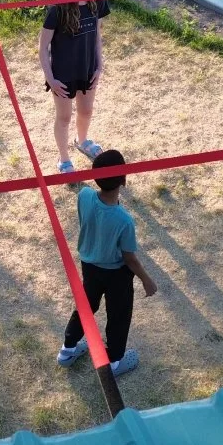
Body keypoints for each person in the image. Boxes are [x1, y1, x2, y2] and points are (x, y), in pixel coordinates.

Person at [56, 149, 157, 377]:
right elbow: (129, 258)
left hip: (89, 266)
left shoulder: (84, 195)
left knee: (86, 306)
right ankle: (114, 362)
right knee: (118, 315)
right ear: (124, 179)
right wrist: (147, 280)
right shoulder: (124, 220)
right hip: (116, 274)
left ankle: (67, 349)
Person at [39, 0, 110, 174]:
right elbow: (43, 48)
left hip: (88, 69)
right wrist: (51, 79)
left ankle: (83, 141)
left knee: (86, 111)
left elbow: (97, 36)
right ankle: (64, 160)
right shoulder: (57, 11)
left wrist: (99, 65)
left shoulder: (97, 2)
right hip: (63, 75)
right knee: (64, 118)